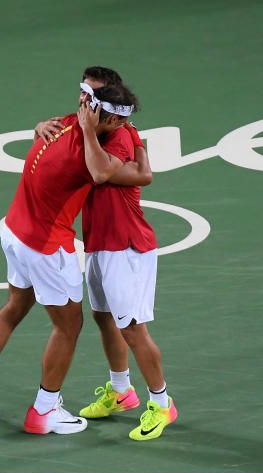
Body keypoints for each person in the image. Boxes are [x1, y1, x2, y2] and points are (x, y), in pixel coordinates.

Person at [0, 81, 138, 435]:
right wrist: (97, 135)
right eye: (118, 123)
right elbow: (104, 173)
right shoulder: (88, 150)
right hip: (46, 247)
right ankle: (44, 410)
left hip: (14, 232)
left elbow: (69, 122)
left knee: (14, 307)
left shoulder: (61, 123)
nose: (122, 130)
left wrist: (72, 125)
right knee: (68, 327)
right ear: (105, 119)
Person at [76, 84, 178, 441]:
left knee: (133, 329)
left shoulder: (117, 140)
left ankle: (162, 404)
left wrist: (88, 130)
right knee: (104, 319)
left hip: (127, 249)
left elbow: (101, 174)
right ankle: (121, 392)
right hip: (100, 245)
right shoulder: (105, 133)